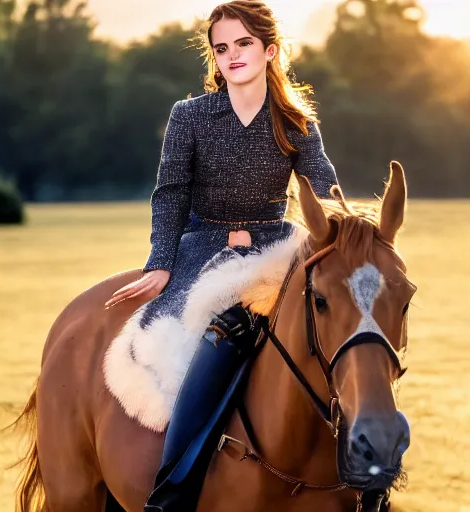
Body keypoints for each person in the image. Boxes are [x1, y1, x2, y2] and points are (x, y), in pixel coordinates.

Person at [105, 1, 338, 510]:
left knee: (337, 329)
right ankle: (171, 494)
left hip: (276, 248)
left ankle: (363, 470)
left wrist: (350, 234)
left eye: (244, 44)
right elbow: (170, 193)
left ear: (270, 51)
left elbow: (325, 192)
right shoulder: (190, 116)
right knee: (210, 343)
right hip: (204, 248)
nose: (232, 55)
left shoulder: (295, 120)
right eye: (222, 47)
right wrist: (162, 260)